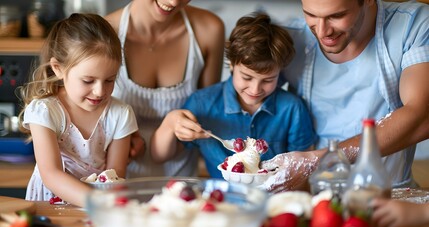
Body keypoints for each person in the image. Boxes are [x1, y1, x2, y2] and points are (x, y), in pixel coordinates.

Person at [260, 0, 429, 192]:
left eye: (336, 16)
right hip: (313, 197)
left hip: (391, 197)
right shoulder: (291, 38)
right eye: (311, 15)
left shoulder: (414, 24)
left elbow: (422, 116)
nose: (323, 32)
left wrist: (318, 160)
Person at [151, 12, 317, 180]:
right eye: (247, 77)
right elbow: (159, 156)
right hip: (223, 199)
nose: (255, 89)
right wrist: (170, 123)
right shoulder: (202, 104)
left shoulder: (292, 108)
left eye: (268, 80)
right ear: (231, 64)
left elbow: (304, 167)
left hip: (274, 201)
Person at [18, 13, 138, 207]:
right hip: (49, 204)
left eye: (109, 80)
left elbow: (115, 175)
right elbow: (51, 174)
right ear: (58, 69)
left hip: (98, 206)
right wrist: (95, 201)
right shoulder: (45, 111)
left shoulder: (120, 114)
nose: (100, 91)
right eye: (88, 80)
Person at [104, 0, 225, 178]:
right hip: (117, 180)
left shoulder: (209, 30)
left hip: (182, 185)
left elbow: (207, 116)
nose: (174, 1)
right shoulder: (104, 32)